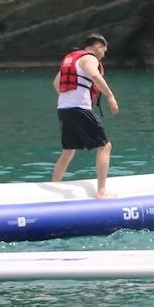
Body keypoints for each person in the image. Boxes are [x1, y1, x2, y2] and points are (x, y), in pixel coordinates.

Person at [51, 34, 119, 199]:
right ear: (98, 46)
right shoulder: (90, 58)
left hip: (64, 108)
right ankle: (101, 191)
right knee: (105, 146)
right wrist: (110, 96)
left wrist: (69, 98)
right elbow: (94, 75)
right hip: (79, 108)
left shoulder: (71, 59)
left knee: (68, 151)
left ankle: (54, 185)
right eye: (104, 50)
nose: (104, 54)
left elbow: (56, 83)